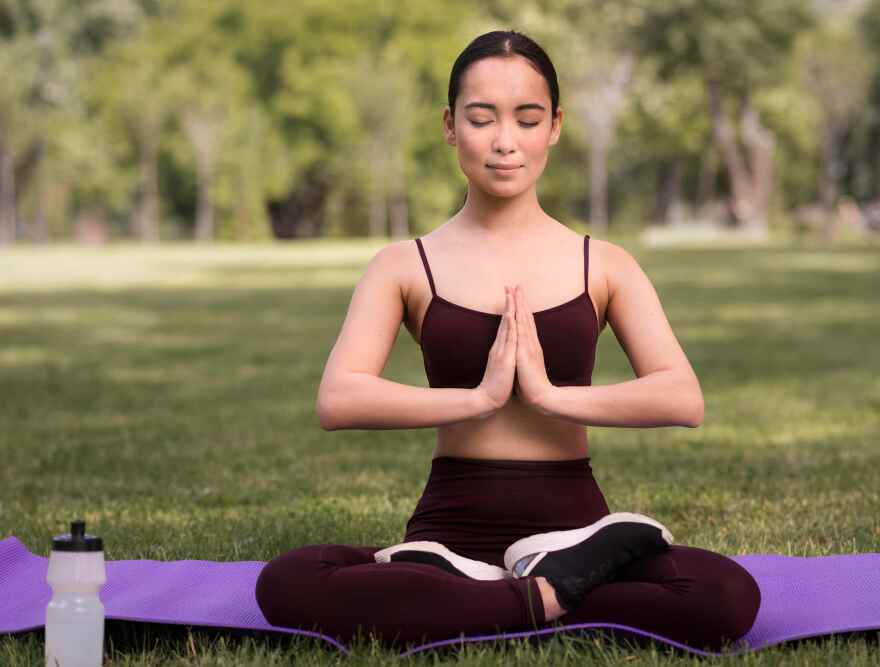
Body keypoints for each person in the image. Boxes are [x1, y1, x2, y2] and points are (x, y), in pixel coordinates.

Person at [254, 29, 761, 653]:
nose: (504, 142)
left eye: (527, 119)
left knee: (727, 593)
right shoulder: (405, 265)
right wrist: (480, 398)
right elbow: (340, 399)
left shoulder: (602, 263)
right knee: (286, 582)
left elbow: (682, 398)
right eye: (481, 118)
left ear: (554, 126)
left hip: (576, 531)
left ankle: (514, 589)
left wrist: (550, 396)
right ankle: (549, 596)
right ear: (449, 125)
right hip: (448, 533)